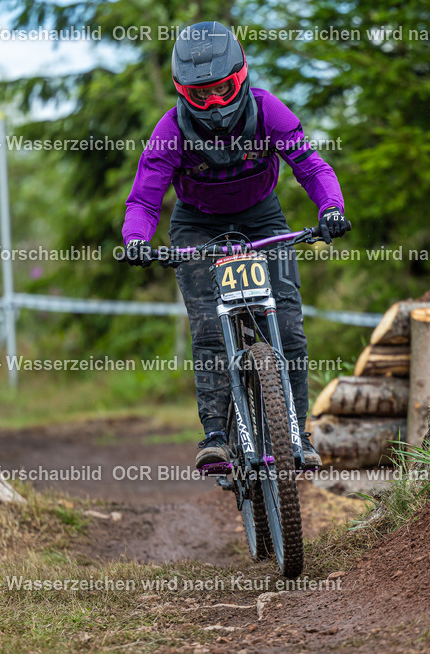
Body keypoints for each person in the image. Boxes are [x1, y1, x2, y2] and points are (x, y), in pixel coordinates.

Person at [119, 21, 351, 470]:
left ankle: (297, 434)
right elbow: (144, 200)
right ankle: (215, 436)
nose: (214, 103)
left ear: (241, 77)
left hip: (262, 218)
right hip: (197, 226)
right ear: (182, 91)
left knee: (288, 326)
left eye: (222, 90)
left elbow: (311, 166)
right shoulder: (170, 130)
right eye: (200, 94)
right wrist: (136, 240)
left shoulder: (267, 111)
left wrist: (331, 209)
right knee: (208, 327)